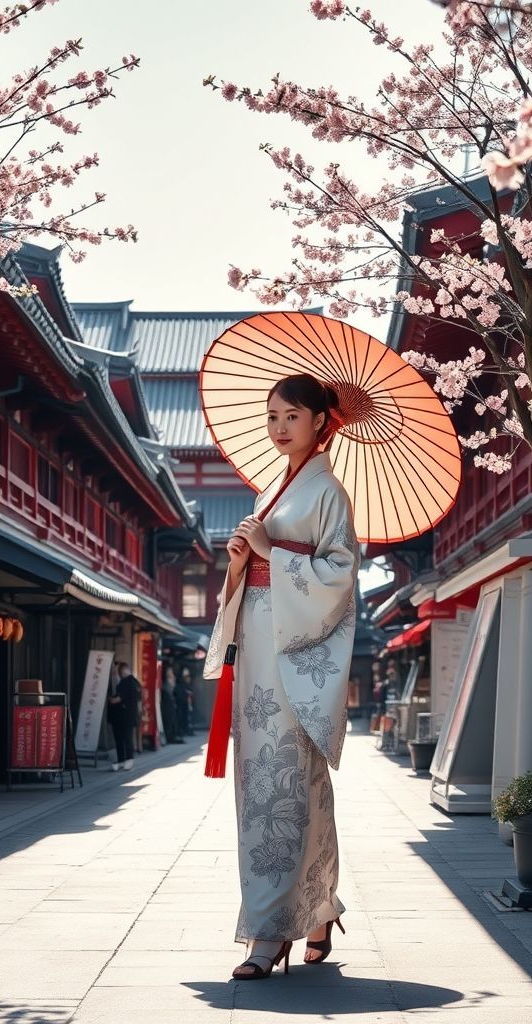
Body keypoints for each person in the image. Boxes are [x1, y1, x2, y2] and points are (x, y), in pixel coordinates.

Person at [203, 372, 358, 981]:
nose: (277, 426)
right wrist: (243, 561)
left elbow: (340, 575)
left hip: (296, 656)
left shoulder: (328, 492)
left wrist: (272, 553)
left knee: (288, 783)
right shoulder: (276, 487)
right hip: (262, 648)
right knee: (266, 779)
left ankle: (269, 932)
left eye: (291, 415)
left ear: (321, 421)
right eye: (271, 416)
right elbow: (264, 560)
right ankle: (317, 909)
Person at [106, 663, 135, 771]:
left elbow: (118, 698)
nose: (115, 672)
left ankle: (129, 759)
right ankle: (121, 760)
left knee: (126, 737)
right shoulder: (117, 682)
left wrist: (112, 700)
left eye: (116, 669)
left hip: (126, 715)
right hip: (117, 716)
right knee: (119, 738)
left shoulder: (129, 681)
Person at [161, 666, 183, 744]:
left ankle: (173, 735)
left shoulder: (172, 680)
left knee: (173, 721)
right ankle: (169, 736)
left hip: (171, 703)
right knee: (168, 721)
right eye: (169, 671)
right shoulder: (165, 684)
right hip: (167, 705)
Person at [176, 666, 194, 736]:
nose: (188, 678)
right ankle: (183, 730)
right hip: (182, 706)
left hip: (187, 705)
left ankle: (188, 729)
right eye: (186, 677)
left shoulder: (188, 686)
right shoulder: (180, 686)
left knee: (189, 717)